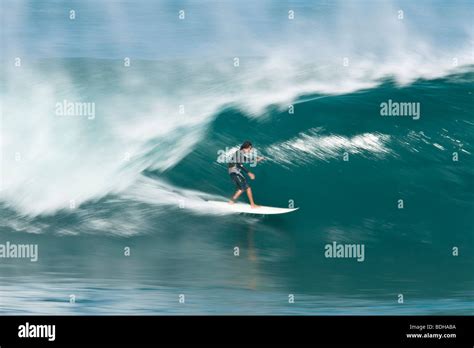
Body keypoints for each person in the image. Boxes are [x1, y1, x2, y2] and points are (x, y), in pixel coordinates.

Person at [228, 141, 263, 208]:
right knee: (243, 188)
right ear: (245, 147)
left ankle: (252, 204)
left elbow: (247, 159)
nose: (250, 150)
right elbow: (238, 164)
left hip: (235, 172)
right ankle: (232, 201)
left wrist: (256, 159)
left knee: (246, 188)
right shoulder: (239, 153)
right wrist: (249, 173)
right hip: (235, 172)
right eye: (250, 148)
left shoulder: (240, 153)